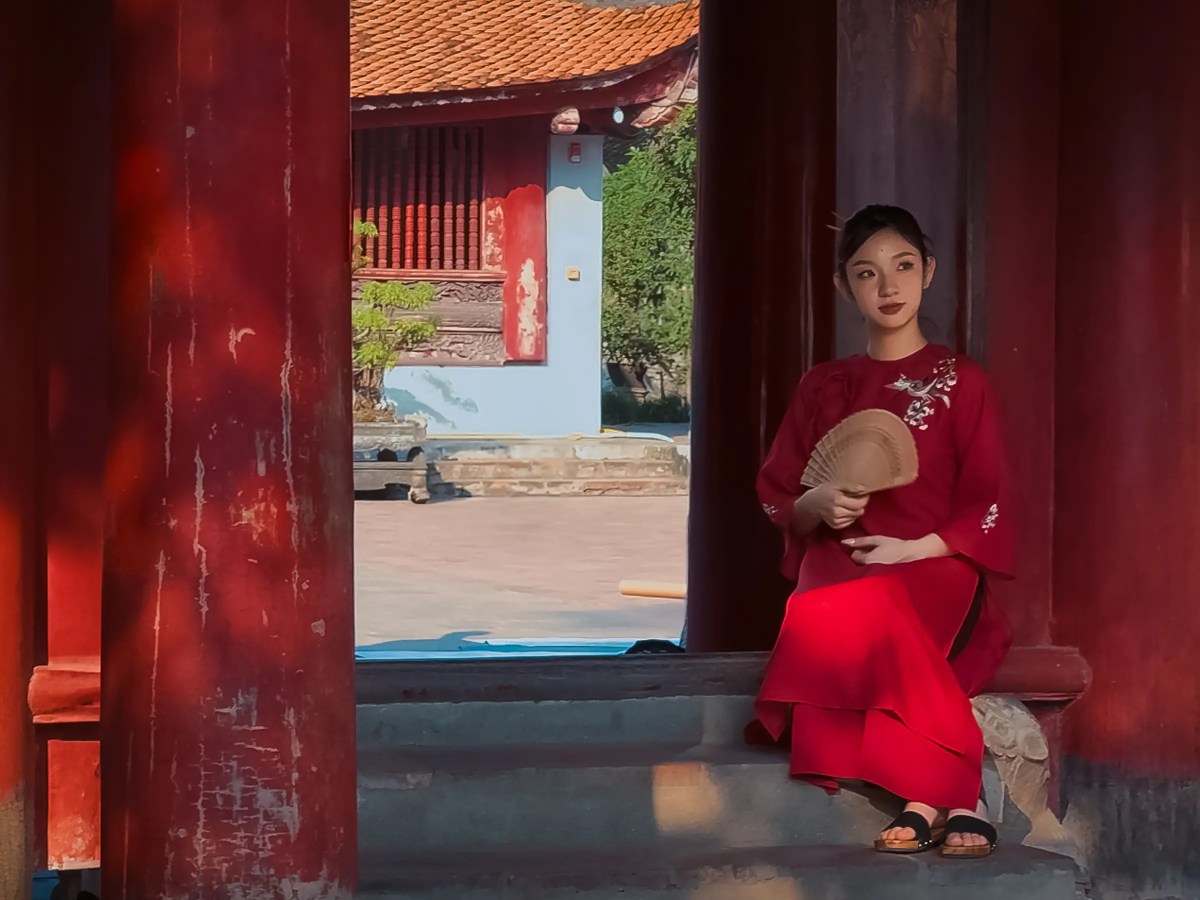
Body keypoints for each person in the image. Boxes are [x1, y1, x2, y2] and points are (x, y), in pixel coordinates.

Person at [753, 204, 1013, 858]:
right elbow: (780, 495)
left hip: (933, 557)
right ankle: (959, 793)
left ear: (927, 272)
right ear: (846, 287)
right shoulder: (823, 386)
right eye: (867, 274)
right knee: (841, 601)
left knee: (885, 601)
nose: (888, 287)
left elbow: (988, 495)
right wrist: (821, 505)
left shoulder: (963, 380)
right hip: (841, 559)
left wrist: (913, 546)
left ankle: (926, 796)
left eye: (902, 267)